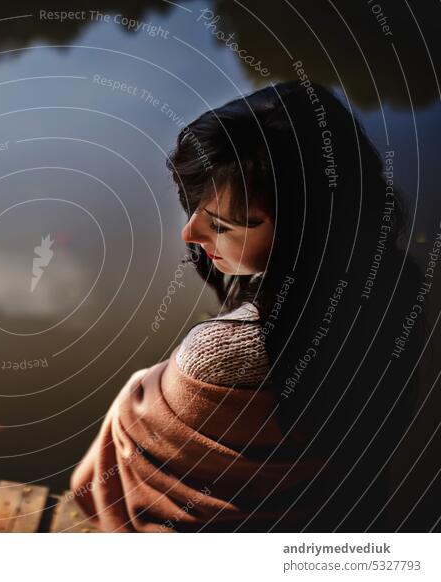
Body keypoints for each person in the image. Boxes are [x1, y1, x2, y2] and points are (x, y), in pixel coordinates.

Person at [70, 80, 429, 532]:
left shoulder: (222, 353)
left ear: (309, 226)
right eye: (195, 205)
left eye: (225, 224)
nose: (191, 233)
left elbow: (130, 451)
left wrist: (142, 390)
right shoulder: (399, 284)